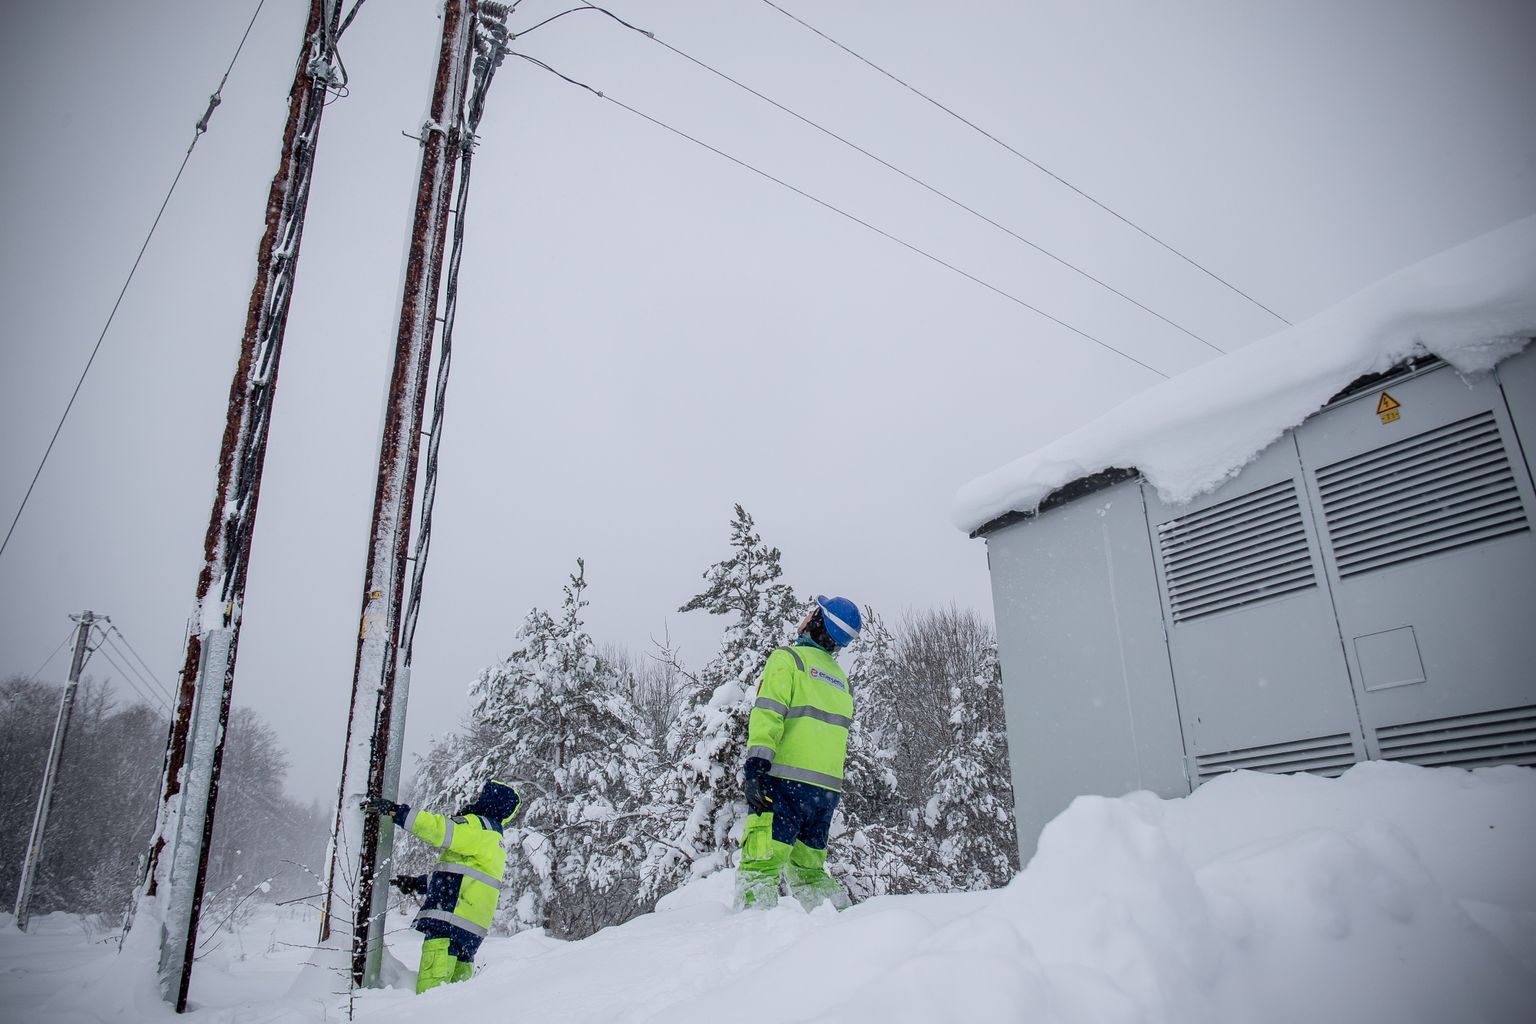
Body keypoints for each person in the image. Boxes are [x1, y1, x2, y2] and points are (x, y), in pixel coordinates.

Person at [737, 594, 862, 910]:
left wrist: (755, 767)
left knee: (760, 868)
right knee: (809, 873)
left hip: (783, 785)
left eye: (813, 612)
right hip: (824, 794)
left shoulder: (788, 660)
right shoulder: (840, 681)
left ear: (818, 623)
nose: (806, 615)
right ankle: (842, 927)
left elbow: (768, 713)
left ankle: (748, 936)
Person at [360, 779, 521, 994]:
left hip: (449, 926)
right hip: (470, 934)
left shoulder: (477, 826)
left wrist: (397, 812)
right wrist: (417, 883)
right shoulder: (496, 839)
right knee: (453, 1002)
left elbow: (439, 829)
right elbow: (462, 877)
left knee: (431, 996)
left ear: (489, 800)